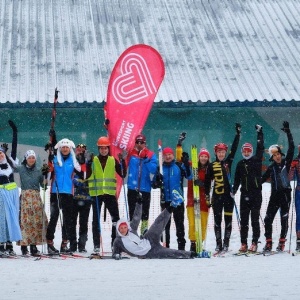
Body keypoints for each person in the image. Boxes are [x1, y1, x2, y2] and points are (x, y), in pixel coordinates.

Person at [112, 195, 194, 259]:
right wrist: (116, 255)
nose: (123, 230)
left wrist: (139, 203)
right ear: (118, 230)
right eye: (121, 228)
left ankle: (173, 205)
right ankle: (190, 254)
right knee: (170, 253)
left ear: (127, 227)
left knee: (158, 223)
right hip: (149, 252)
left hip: (148, 239)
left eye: (124, 227)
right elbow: (115, 252)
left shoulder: (132, 229)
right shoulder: (118, 241)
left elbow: (136, 217)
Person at [86, 136, 126, 253]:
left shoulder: (113, 160)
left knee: (116, 220)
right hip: (97, 194)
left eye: (105, 148)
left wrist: (123, 161)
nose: (103, 150)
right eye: (101, 148)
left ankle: (115, 244)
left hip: (109, 194)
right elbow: (88, 175)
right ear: (99, 149)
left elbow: (122, 174)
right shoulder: (94, 160)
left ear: (108, 148)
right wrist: (88, 162)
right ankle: (97, 245)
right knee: (96, 220)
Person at [204, 123, 241, 252]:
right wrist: (207, 197)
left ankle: (226, 244)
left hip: (228, 196)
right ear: (216, 153)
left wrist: (237, 135)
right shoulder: (211, 165)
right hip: (217, 197)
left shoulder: (228, 162)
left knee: (228, 220)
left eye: (223, 152)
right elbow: (207, 182)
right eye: (219, 152)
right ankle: (218, 244)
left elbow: (235, 149)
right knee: (217, 221)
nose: (221, 154)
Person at [262, 121, 294, 252]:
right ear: (272, 158)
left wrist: (288, 132)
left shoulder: (287, 162)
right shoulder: (271, 168)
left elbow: (291, 147)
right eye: (274, 156)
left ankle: (282, 242)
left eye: (278, 154)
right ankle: (268, 242)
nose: (277, 157)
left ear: (281, 154)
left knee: (284, 219)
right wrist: (253, 185)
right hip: (274, 196)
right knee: (267, 219)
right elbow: (261, 179)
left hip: (285, 194)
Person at [46, 138, 81, 254]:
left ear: (70, 148)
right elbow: (48, 173)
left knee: (67, 219)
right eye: (63, 147)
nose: (65, 149)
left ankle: (64, 243)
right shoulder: (55, 159)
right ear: (60, 148)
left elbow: (81, 172)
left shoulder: (74, 160)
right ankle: (50, 242)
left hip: (68, 192)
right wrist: (48, 164)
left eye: (67, 147)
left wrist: (83, 160)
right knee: (54, 217)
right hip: (55, 191)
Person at [152, 147, 192, 250]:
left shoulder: (178, 166)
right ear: (163, 157)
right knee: (165, 225)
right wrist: (157, 181)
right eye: (165, 155)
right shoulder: (159, 168)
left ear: (173, 155)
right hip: (165, 200)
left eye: (169, 154)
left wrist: (186, 164)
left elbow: (189, 176)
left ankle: (181, 247)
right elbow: (154, 184)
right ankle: (166, 246)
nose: (168, 157)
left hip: (177, 200)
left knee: (179, 225)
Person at [232, 124, 264, 253]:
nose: (246, 153)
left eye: (248, 151)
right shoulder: (240, 164)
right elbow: (237, 180)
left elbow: (260, 147)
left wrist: (260, 133)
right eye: (244, 151)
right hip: (244, 195)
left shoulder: (256, 160)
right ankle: (244, 243)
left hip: (256, 195)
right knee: (243, 221)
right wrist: (233, 191)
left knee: (254, 220)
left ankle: (254, 242)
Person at [16, 150, 48, 256]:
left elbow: (44, 186)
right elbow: (12, 166)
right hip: (25, 197)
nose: (31, 160)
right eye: (29, 157)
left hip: (35, 198)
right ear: (26, 159)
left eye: (33, 158)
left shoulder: (38, 171)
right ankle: (24, 246)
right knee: (25, 221)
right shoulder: (21, 169)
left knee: (36, 221)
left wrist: (45, 176)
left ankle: (33, 246)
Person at [127, 134, 157, 235]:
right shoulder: (131, 153)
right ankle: (132, 234)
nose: (139, 145)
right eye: (137, 142)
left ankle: (144, 234)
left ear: (145, 143)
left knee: (144, 214)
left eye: (142, 143)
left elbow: (153, 169)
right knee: (132, 214)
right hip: (132, 188)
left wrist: (146, 159)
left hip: (145, 188)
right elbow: (122, 165)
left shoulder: (151, 154)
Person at [0, 120, 21, 256]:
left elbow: (14, 147)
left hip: (12, 193)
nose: (0, 155)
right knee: (2, 217)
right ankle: (1, 243)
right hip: (1, 194)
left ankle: (9, 244)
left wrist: (15, 131)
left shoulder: (10, 164)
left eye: (1, 153)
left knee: (11, 218)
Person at [187, 148, 211, 252]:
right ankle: (193, 243)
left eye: (206, 156)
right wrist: (179, 146)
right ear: (198, 157)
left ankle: (200, 243)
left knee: (203, 223)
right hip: (192, 200)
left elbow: (212, 182)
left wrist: (203, 184)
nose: (203, 158)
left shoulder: (209, 169)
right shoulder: (193, 166)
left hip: (204, 201)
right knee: (192, 223)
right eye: (202, 156)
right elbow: (180, 160)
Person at [71, 144, 92, 252]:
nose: (80, 153)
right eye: (78, 151)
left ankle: (82, 245)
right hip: (73, 199)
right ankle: (73, 244)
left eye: (82, 151)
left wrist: (89, 162)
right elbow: (71, 178)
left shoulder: (88, 164)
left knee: (83, 223)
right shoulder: (73, 163)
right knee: (72, 222)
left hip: (86, 199)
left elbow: (89, 176)